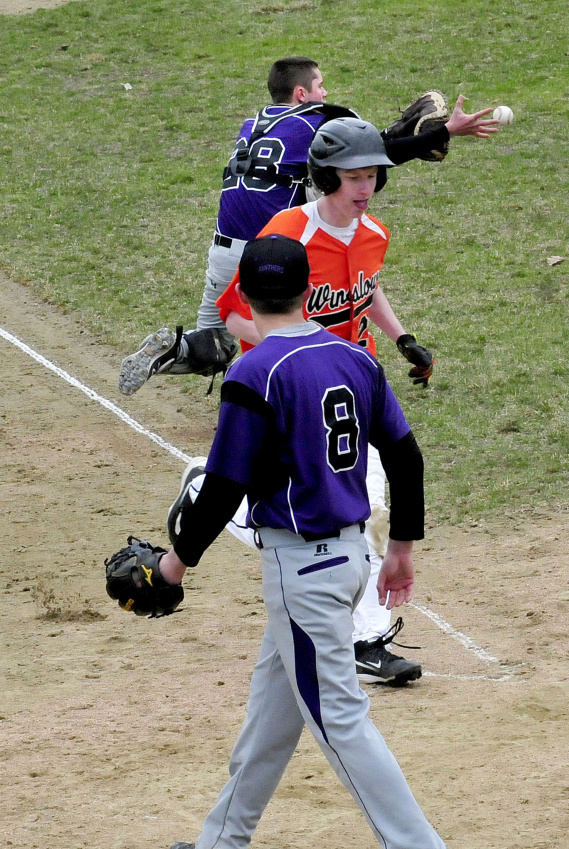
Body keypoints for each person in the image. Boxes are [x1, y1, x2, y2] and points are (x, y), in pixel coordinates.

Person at [158, 233, 468, 849]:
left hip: (303, 570)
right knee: (274, 711)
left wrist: (173, 564)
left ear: (242, 288)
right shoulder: (352, 357)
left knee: (338, 716)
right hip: (351, 556)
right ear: (309, 289)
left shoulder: (254, 373)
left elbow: (223, 487)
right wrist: (403, 550)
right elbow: (408, 459)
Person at [169, 117, 432, 687]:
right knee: (322, 510)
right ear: (324, 177)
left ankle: (364, 639)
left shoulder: (373, 233)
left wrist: (401, 337)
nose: (364, 188)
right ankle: (203, 489)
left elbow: (370, 284)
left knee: (371, 508)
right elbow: (234, 310)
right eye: (353, 177)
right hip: (290, 391)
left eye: (371, 177)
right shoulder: (286, 235)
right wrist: (298, 351)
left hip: (354, 387)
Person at [118, 56, 496, 396]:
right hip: (273, 247)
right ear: (302, 93)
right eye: (320, 86)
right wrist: (445, 131)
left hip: (223, 247)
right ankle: (296, 392)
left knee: (217, 342)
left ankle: (173, 350)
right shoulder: (314, 119)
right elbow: (364, 155)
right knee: (299, 325)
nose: (326, 92)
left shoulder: (254, 124)